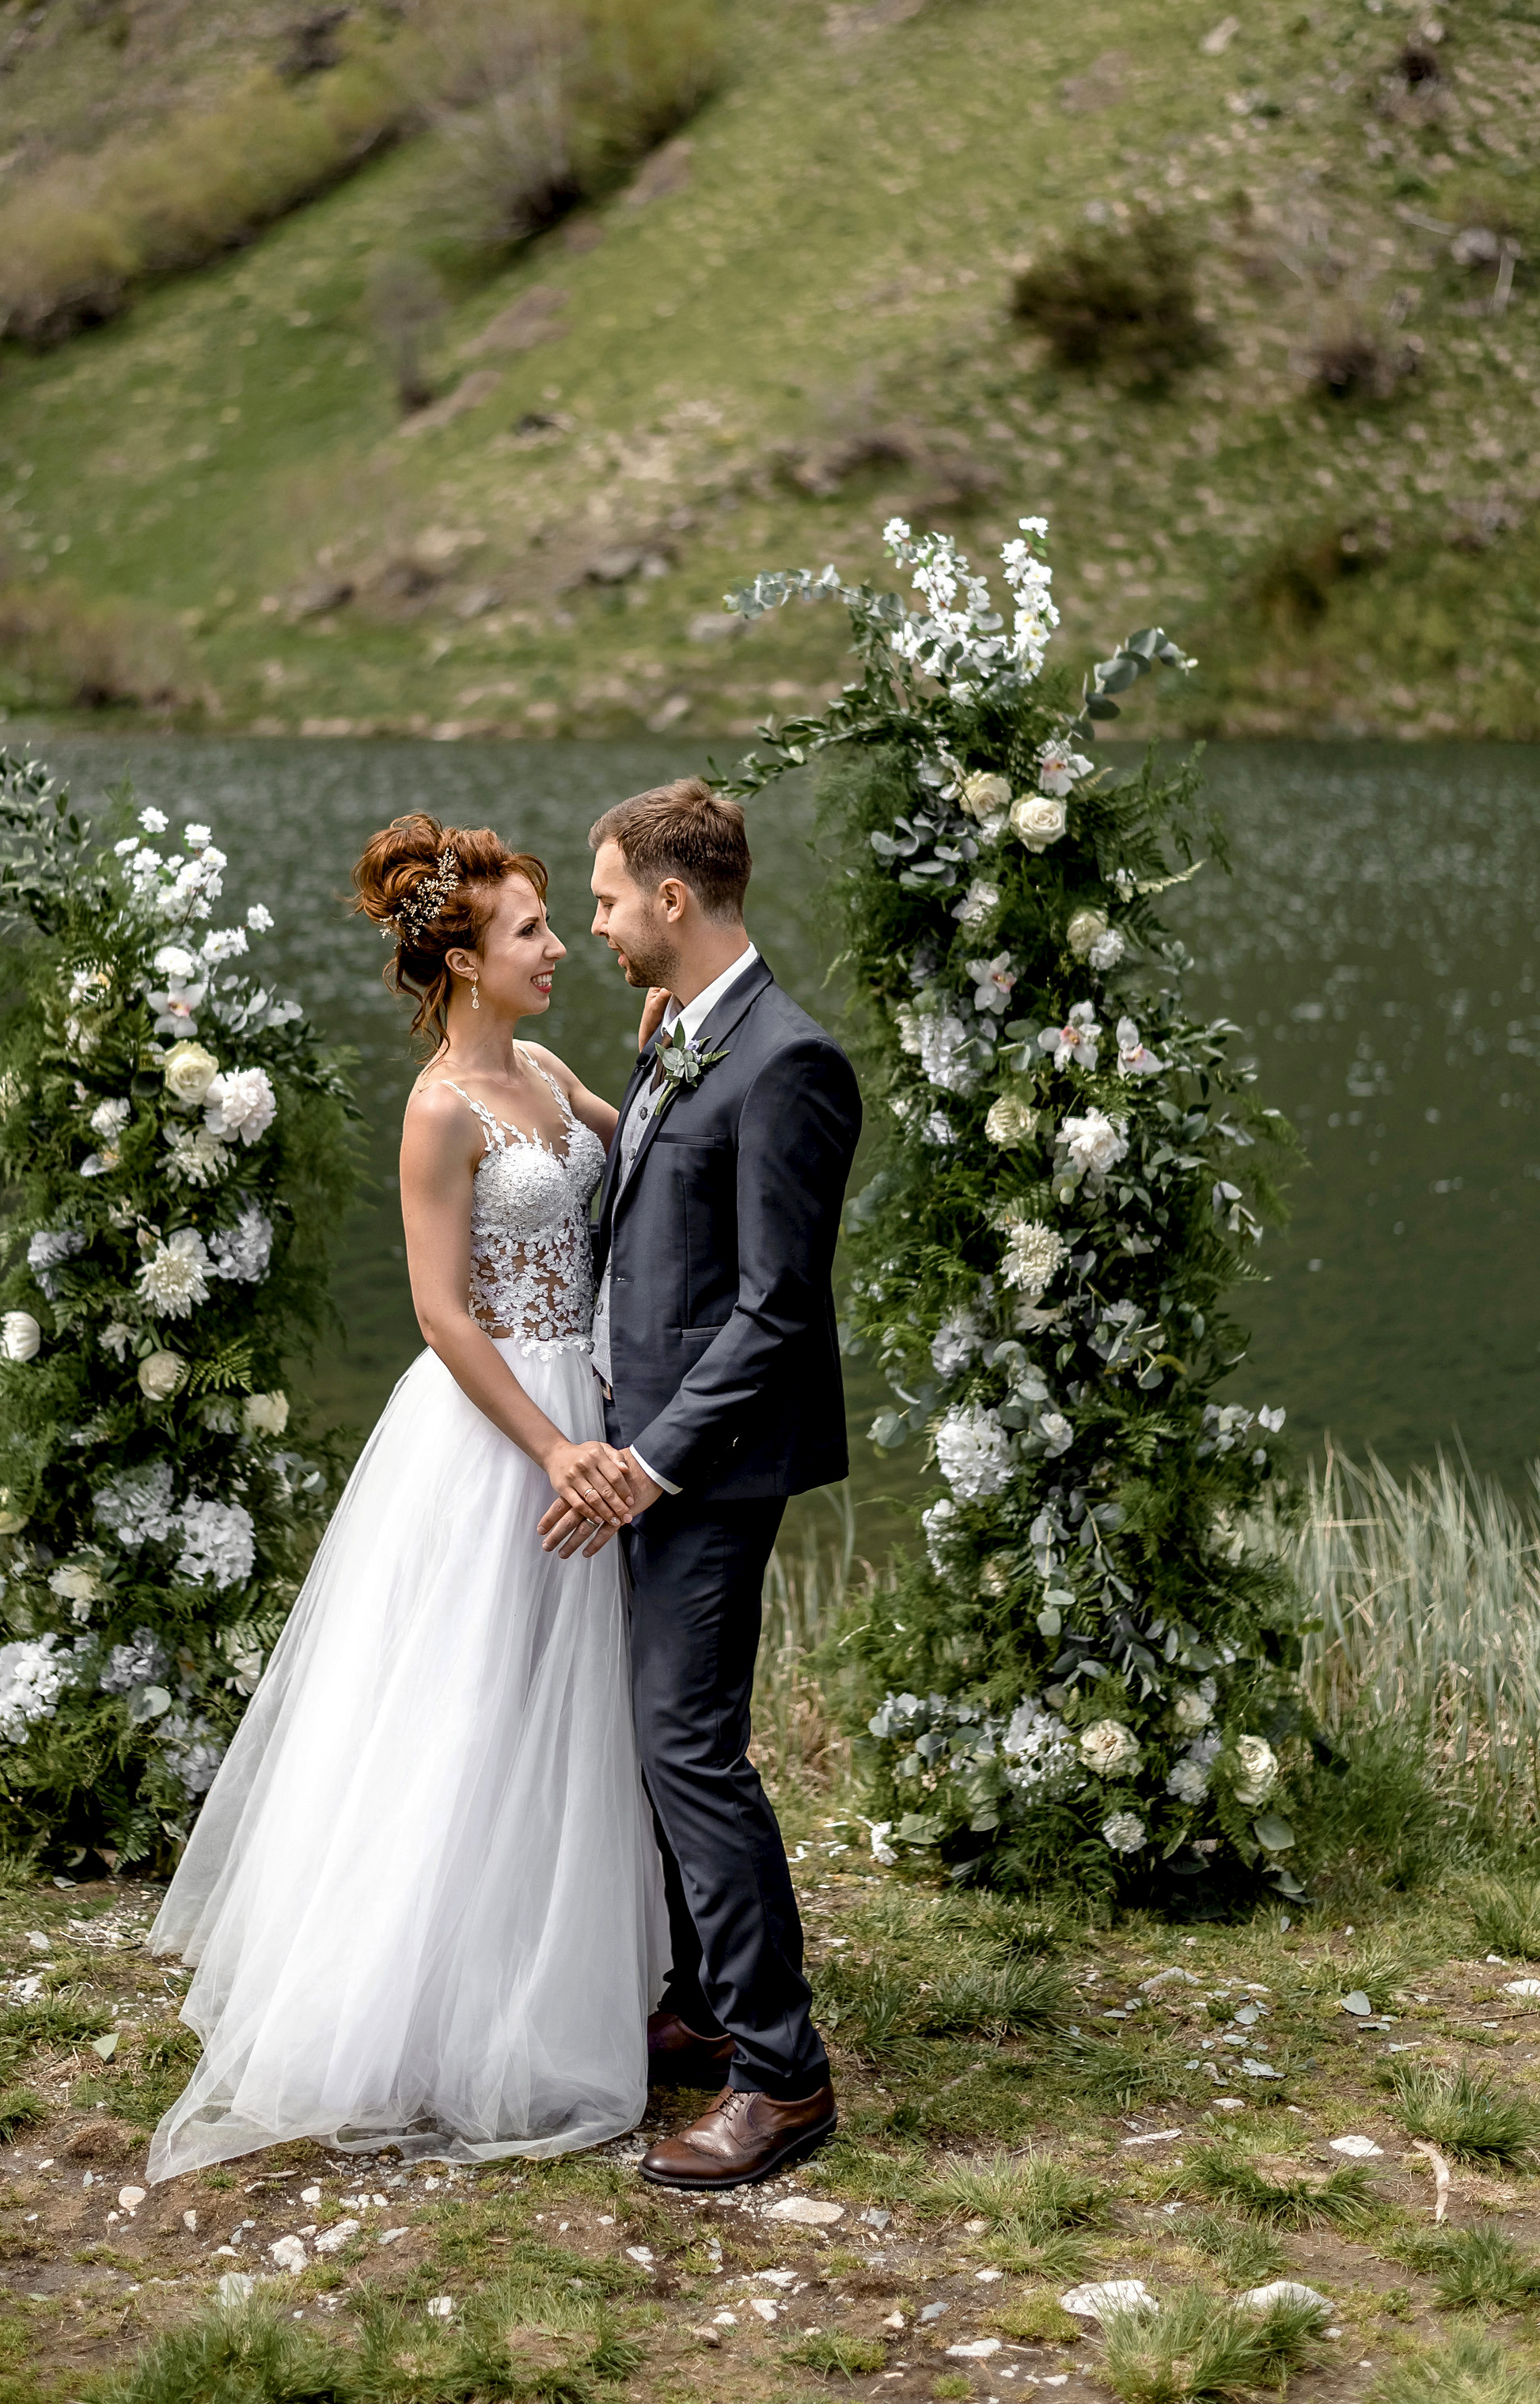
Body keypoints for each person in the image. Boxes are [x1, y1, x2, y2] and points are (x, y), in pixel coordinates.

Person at [145, 815, 667, 2177]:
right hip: (499, 1428)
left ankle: (554, 1989)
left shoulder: (550, 1070)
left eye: (558, 923)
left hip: (591, 1405)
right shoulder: (442, 1111)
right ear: (461, 962)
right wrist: (554, 1450)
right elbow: (442, 1314)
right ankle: (429, 2016)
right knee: (469, 1706)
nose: (557, 948)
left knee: (568, 1712)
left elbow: (658, 1155)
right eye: (530, 933)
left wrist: (678, 1028)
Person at [548, 778, 863, 2194]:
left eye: (608, 897)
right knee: (655, 1731)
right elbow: (665, 1227)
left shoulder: (789, 1062)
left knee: (691, 1747)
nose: (596, 922)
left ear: (675, 901)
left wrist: (652, 1466)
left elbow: (778, 1309)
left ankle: (781, 2076)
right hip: (648, 1446)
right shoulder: (687, 1034)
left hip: (707, 1467)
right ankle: (701, 2001)